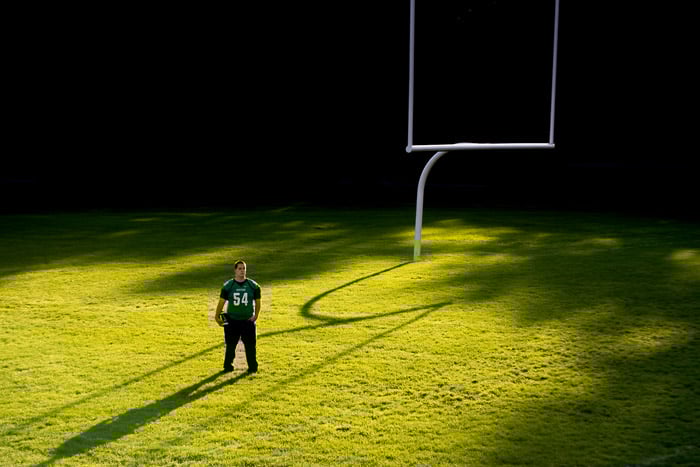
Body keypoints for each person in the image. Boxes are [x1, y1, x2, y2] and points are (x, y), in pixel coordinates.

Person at [215, 260, 261, 373]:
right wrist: (217, 316)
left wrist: (256, 315)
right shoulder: (228, 286)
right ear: (235, 270)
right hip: (232, 320)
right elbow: (221, 302)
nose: (242, 271)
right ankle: (227, 366)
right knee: (230, 345)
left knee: (250, 346)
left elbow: (258, 302)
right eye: (239, 268)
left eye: (244, 268)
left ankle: (253, 367)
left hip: (247, 320)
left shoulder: (253, 286)